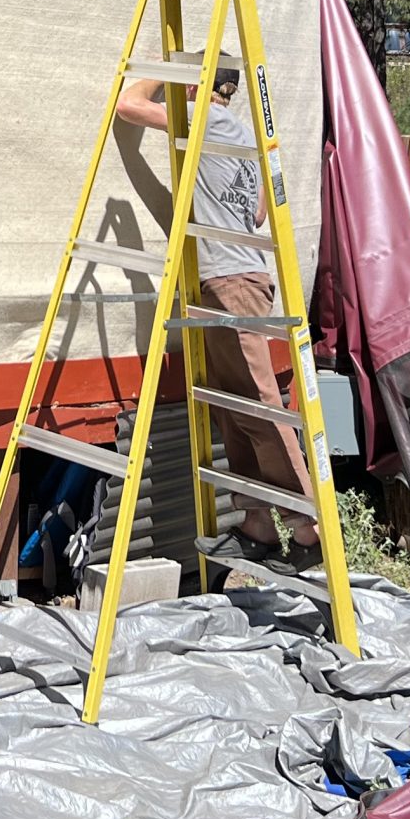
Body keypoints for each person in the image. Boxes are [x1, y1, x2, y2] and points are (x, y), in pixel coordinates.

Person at [115, 61, 320, 562]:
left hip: (231, 282)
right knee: (234, 405)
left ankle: (308, 526)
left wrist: (158, 71)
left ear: (198, 86)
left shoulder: (205, 118)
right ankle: (256, 523)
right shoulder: (244, 138)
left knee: (261, 404)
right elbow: (258, 210)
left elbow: (127, 105)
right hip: (232, 278)